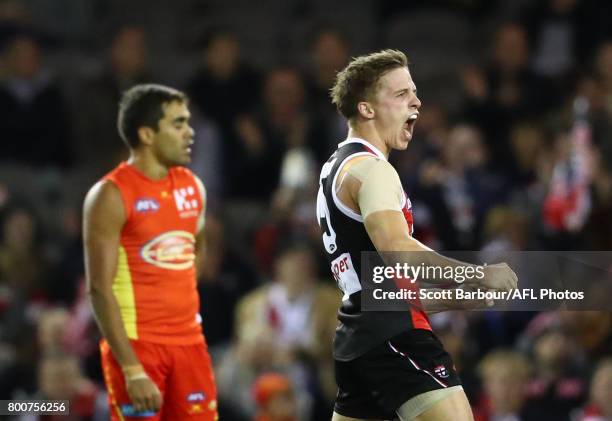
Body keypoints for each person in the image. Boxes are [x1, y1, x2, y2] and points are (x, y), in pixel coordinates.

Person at [317, 49, 518, 421]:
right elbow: (397, 250)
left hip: (360, 335)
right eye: (401, 94)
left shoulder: (335, 167)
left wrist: (461, 298)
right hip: (394, 335)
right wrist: (479, 274)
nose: (417, 101)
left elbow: (379, 290)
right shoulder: (373, 171)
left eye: (415, 92)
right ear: (367, 109)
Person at [82, 84, 217, 420]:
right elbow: (99, 288)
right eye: (178, 124)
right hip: (138, 347)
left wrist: (173, 298)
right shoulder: (110, 195)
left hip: (190, 344)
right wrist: (132, 369)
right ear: (146, 134)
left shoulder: (193, 187)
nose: (190, 132)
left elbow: (194, 251)